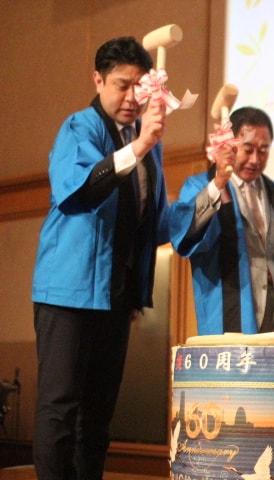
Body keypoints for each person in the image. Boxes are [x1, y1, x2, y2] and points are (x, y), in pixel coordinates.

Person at [31, 37, 169, 479]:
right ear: (98, 80)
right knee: (60, 407)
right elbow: (81, 189)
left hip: (115, 294)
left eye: (139, 87)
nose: (131, 97)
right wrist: (140, 146)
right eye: (121, 85)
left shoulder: (147, 144)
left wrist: (215, 186)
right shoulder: (79, 127)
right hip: (67, 290)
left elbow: (155, 223)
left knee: (98, 416)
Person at [169, 106, 274, 334]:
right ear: (231, 146)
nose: (255, 160)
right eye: (248, 149)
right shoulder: (201, 185)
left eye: (263, 151)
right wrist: (218, 183)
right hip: (227, 311)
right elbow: (186, 231)